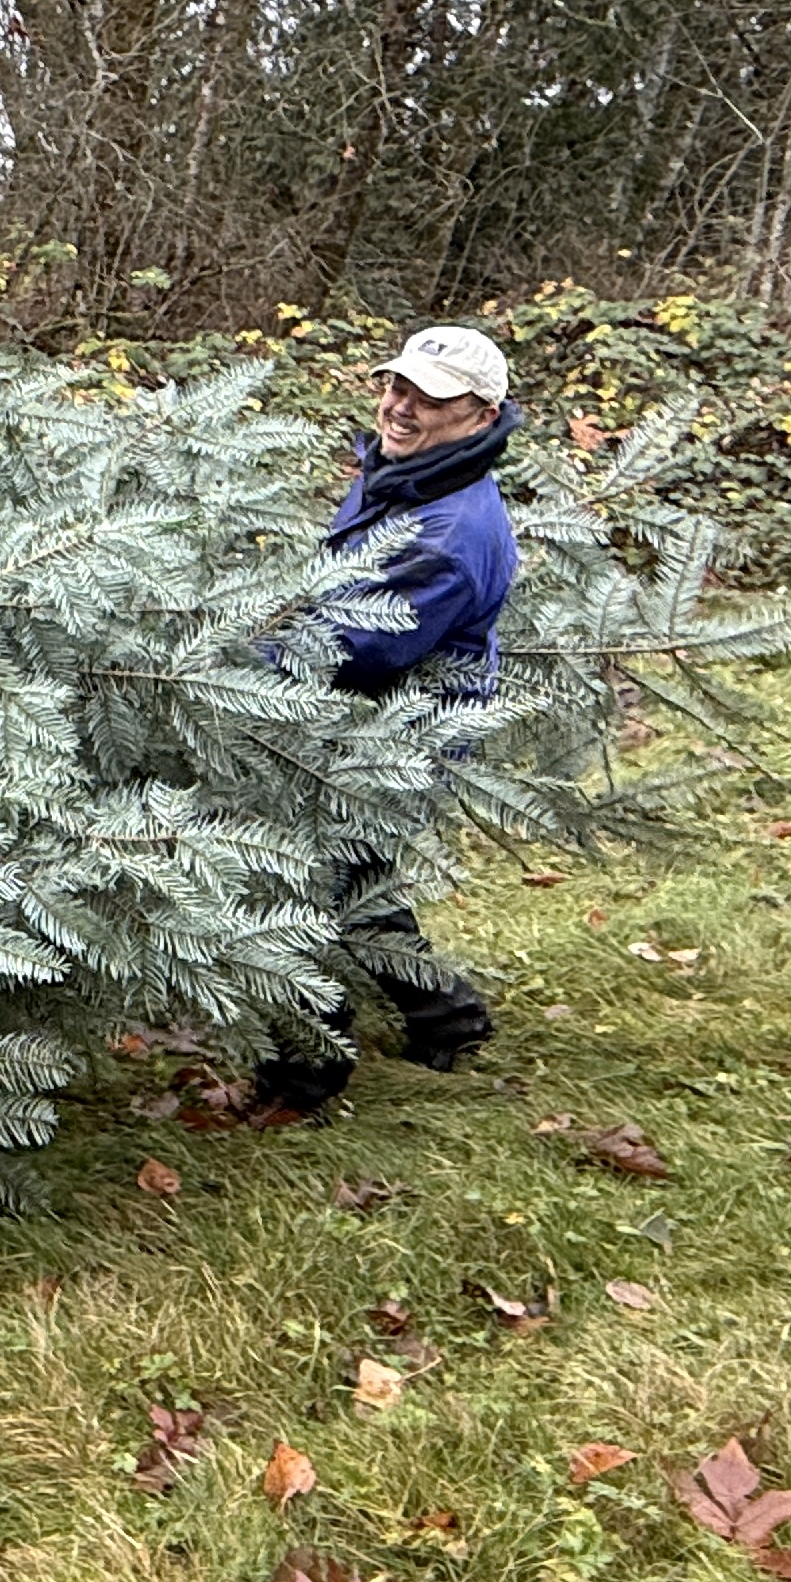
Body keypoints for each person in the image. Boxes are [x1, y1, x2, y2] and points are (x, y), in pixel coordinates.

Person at [248, 324, 523, 1118]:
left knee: (313, 888)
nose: (398, 407)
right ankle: (449, 1018)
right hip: (359, 717)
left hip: (396, 733)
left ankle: (303, 1078)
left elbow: (356, 648)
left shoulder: (452, 530)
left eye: (428, 399)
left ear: (479, 413)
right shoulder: (409, 473)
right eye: (396, 386)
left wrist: (234, 656)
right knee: (360, 882)